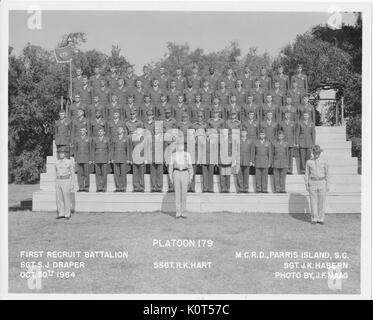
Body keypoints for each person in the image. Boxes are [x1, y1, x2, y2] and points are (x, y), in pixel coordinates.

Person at [168, 135, 194, 219]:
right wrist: (171, 177)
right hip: (176, 173)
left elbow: (190, 167)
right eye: (179, 144)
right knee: (177, 193)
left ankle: (184, 212)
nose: (180, 146)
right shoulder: (173, 155)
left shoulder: (187, 155)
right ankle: (178, 212)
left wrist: (190, 176)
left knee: (184, 193)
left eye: (182, 144)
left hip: (184, 173)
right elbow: (170, 167)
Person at [304, 145, 329, 225]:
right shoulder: (309, 162)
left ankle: (321, 218)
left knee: (321, 201)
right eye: (315, 153)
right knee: (313, 201)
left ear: (320, 153)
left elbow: (327, 173)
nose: (316, 154)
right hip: (313, 182)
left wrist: (327, 184)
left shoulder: (324, 162)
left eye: (318, 153)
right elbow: (306, 174)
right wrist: (306, 184)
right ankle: (314, 218)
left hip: (322, 182)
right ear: (313, 153)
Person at [55, 149, 75, 220]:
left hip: (66, 180)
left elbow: (72, 173)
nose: (61, 154)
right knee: (59, 198)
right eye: (59, 153)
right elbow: (55, 172)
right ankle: (61, 213)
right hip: (58, 180)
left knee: (66, 198)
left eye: (62, 153)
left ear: (65, 154)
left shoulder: (69, 162)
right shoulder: (56, 162)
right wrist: (56, 182)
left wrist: (72, 183)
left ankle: (67, 214)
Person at [110, 126, 131, 192]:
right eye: (118, 129)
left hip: (123, 157)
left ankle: (123, 187)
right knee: (116, 173)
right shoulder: (114, 138)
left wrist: (128, 158)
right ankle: (118, 187)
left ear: (123, 131)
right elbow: (112, 149)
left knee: (123, 173)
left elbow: (128, 149)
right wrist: (111, 158)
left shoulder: (126, 138)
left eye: (121, 129)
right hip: (116, 157)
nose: (119, 130)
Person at [92, 127, 110, 192]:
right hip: (97, 157)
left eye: (101, 131)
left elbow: (109, 149)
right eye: (99, 131)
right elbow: (93, 149)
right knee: (98, 174)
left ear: (104, 132)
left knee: (104, 174)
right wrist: (93, 159)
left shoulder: (107, 139)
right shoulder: (95, 139)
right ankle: (99, 187)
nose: (100, 132)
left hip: (104, 157)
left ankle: (104, 187)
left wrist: (109, 158)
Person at [73, 127, 92, 192]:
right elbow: (75, 149)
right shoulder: (77, 139)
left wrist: (90, 159)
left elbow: (91, 149)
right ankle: (81, 187)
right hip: (79, 158)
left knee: (86, 173)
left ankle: (86, 187)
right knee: (80, 174)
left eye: (83, 130)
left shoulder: (89, 139)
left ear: (86, 131)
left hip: (86, 158)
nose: (82, 131)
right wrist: (75, 158)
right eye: (81, 130)